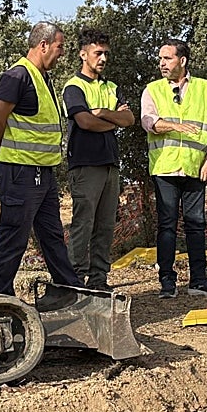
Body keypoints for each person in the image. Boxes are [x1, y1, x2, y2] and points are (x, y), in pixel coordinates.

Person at [0, 21, 81, 297]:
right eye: (59, 47)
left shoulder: (42, 78)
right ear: (43, 45)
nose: (62, 53)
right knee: (13, 236)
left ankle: (68, 291)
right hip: (21, 172)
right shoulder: (18, 76)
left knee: (52, 236)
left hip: (43, 173)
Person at [141, 40, 207, 298]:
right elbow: (148, 122)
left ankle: (198, 280)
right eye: (160, 58)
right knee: (167, 225)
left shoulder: (205, 89)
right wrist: (176, 127)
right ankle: (167, 281)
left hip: (195, 168)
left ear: (183, 60)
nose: (161, 63)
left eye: (167, 58)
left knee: (196, 224)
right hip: (165, 168)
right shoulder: (152, 90)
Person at [62, 27, 135, 291]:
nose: (103, 59)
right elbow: (84, 121)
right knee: (84, 223)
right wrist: (112, 121)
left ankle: (99, 280)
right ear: (83, 54)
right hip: (85, 164)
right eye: (97, 53)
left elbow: (129, 119)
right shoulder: (73, 87)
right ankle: (73, 281)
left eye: (106, 53)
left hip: (110, 164)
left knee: (105, 225)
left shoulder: (113, 87)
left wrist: (103, 113)